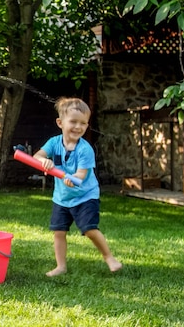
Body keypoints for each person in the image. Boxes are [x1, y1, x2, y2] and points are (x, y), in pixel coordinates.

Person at [33, 97, 122, 276]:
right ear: (60, 122)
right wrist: (45, 161)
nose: (78, 127)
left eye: (83, 123)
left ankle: (109, 257)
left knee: (89, 229)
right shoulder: (53, 143)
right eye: (73, 121)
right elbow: (37, 156)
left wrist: (71, 178)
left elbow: (81, 175)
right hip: (62, 197)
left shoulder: (85, 149)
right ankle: (61, 266)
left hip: (85, 196)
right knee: (59, 231)